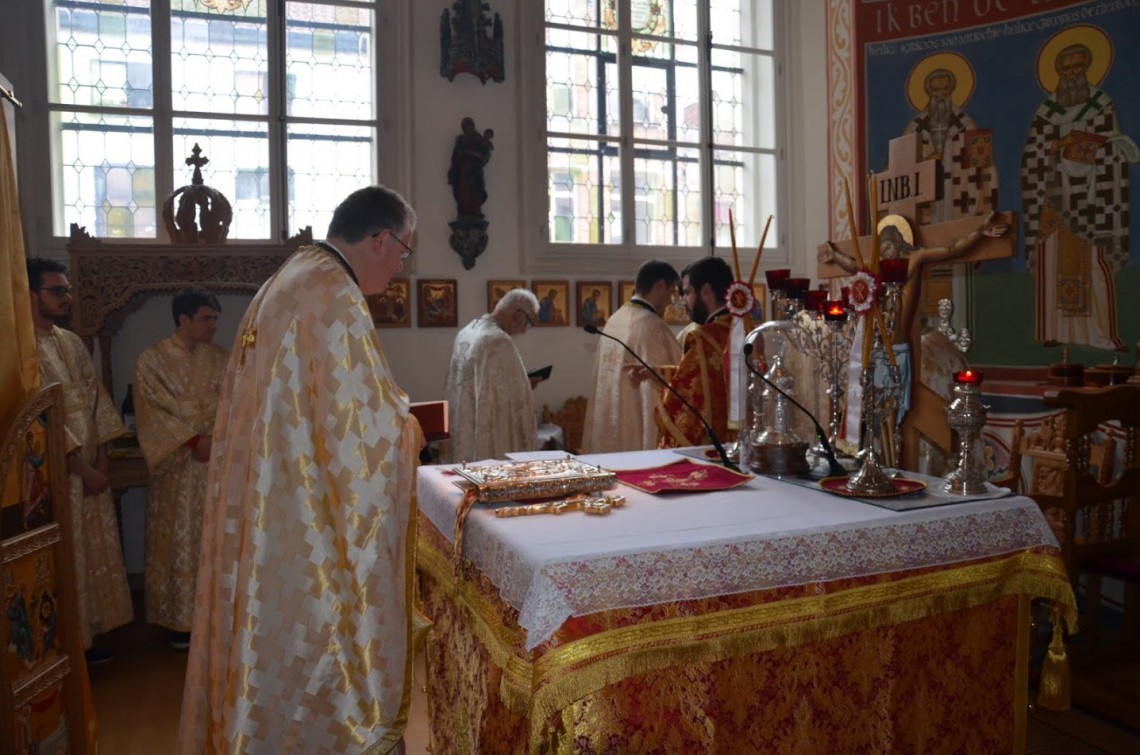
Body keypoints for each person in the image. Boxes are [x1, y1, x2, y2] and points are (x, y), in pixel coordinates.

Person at [176, 185, 424, 755]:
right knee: (316, 647)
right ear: (381, 238)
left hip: (277, 499)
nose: (401, 267)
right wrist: (408, 426)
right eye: (404, 252)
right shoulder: (333, 294)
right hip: (301, 520)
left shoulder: (288, 279)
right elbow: (362, 437)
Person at [26, 257, 134, 663]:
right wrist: (81, 468)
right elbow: (38, 418)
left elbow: (96, 401)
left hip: (90, 473)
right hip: (57, 476)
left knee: (90, 558)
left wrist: (102, 460)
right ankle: (61, 648)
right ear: (30, 294)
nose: (67, 298)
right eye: (57, 291)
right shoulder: (21, 351)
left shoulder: (69, 342)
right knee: (63, 560)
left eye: (67, 290)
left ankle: (85, 640)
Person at [1021, 37, 1137, 351]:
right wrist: (1055, 150)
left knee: (1094, 265)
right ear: (1058, 72)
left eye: (1077, 67)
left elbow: (1114, 145)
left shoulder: (1101, 103)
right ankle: (1055, 330)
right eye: (1066, 68)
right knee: (1053, 262)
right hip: (1054, 204)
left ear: (1087, 69)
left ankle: (1098, 333)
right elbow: (1032, 155)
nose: (1072, 74)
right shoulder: (1046, 111)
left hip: (1090, 201)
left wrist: (1080, 149)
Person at [132, 286, 228, 649]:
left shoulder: (222, 358)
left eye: (215, 319)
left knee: (216, 539)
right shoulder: (151, 361)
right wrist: (192, 441)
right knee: (179, 540)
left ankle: (218, 617)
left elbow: (238, 402)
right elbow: (152, 412)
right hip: (178, 467)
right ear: (183, 319)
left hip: (217, 464)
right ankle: (180, 623)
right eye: (207, 318)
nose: (213, 326)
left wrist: (218, 440)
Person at [581, 260, 682, 453]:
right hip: (635, 429)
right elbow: (677, 379)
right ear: (660, 285)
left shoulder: (614, 319)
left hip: (611, 424)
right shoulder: (652, 326)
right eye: (671, 292)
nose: (671, 301)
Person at [643, 256, 734, 448]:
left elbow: (686, 399)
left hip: (711, 448)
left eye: (687, 293)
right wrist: (655, 372)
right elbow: (702, 380)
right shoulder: (742, 330)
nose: (683, 301)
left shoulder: (702, 338)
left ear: (706, 291)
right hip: (739, 443)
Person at [442, 289, 540, 462]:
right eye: (529, 322)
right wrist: (525, 387)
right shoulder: (498, 341)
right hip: (486, 441)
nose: (525, 330)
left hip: (463, 428)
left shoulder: (467, 331)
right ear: (517, 314)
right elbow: (506, 402)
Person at [447, 116, 494, 218]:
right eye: (467, 126)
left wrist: (471, 153)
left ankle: (476, 210)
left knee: (476, 191)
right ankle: (463, 212)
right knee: (464, 192)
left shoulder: (479, 138)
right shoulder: (460, 139)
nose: (469, 128)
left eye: (471, 126)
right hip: (464, 170)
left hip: (476, 170)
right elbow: (456, 156)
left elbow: (484, 154)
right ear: (464, 128)